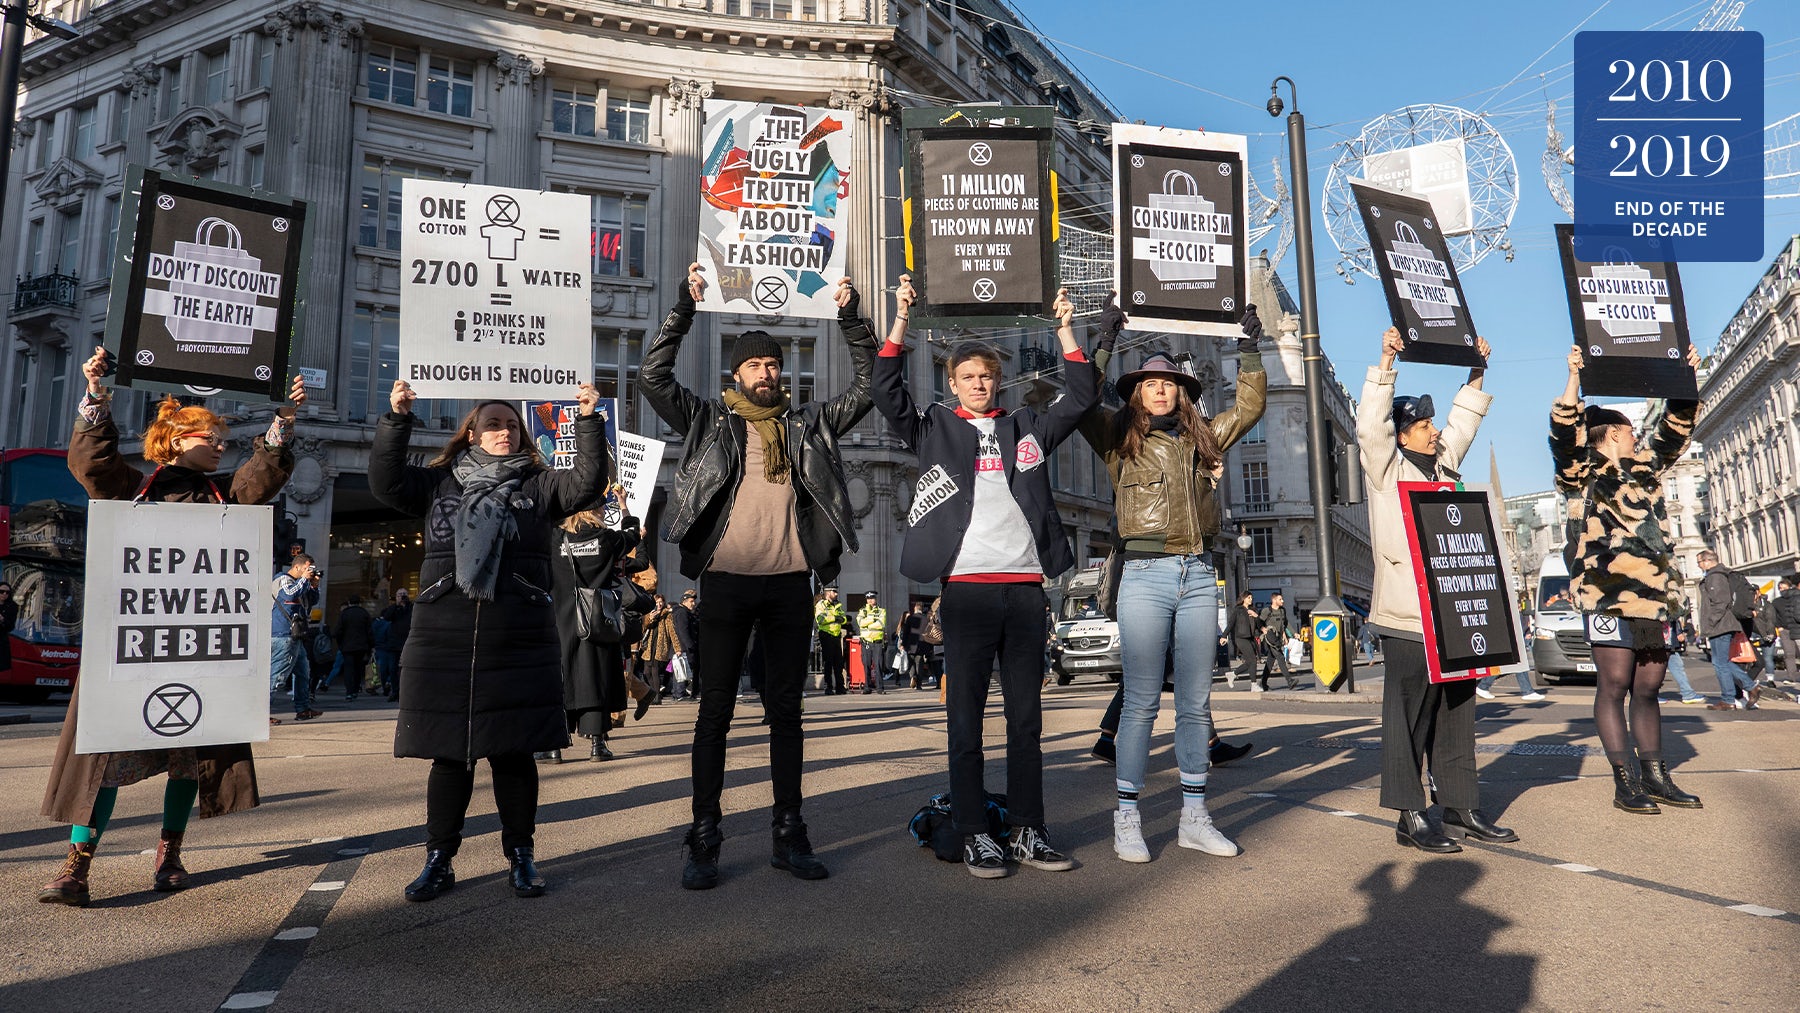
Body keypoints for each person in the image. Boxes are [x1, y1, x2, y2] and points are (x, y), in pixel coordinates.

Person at [39, 346, 303, 907]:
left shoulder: (223, 497)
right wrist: (94, 396)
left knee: (190, 755)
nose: (222, 444)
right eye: (211, 436)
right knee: (103, 758)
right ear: (179, 440)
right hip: (132, 652)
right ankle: (76, 866)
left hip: (197, 652)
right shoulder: (132, 487)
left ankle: (170, 854)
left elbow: (259, 482)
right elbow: (92, 463)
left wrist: (282, 424)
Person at [643, 262, 874, 890]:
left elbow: (870, 382)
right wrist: (684, 308)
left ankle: (789, 832)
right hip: (725, 582)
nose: (767, 373)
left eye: (774, 364)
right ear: (736, 373)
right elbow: (652, 376)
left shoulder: (809, 427)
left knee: (787, 711)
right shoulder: (707, 422)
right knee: (714, 710)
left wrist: (852, 316)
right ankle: (705, 836)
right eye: (755, 365)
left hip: (788, 584)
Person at [872, 273, 1097, 879]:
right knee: (965, 720)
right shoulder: (934, 429)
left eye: (988, 376)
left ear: (999, 381)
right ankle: (974, 832)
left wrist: (1066, 329)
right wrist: (900, 318)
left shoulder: (1027, 426)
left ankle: (1029, 830)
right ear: (953, 383)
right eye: (969, 377)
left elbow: (1080, 398)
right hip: (966, 593)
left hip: (1025, 592)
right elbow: (884, 387)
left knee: (1027, 722)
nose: (979, 383)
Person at [370, 377, 609, 902]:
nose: (504, 432)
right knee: (449, 757)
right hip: (444, 636)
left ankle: (521, 856)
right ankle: (439, 858)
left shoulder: (541, 485)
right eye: (492, 424)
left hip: (516, 635)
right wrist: (397, 418)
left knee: (514, 754)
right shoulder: (437, 482)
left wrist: (590, 420)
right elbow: (386, 483)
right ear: (472, 434)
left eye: (511, 425)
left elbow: (588, 484)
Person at [1075, 297, 1265, 862]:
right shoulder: (1118, 440)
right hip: (1146, 574)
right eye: (1151, 381)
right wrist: (1103, 344)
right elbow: (1080, 400)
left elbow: (1251, 406)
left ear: (1183, 391)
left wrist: (1248, 346)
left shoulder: (1202, 439)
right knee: (1138, 702)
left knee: (1196, 703)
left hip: (1199, 572)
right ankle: (1128, 817)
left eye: (1170, 382)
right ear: (1136, 391)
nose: (1161, 388)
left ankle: (1194, 815)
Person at [1360, 326, 1516, 853]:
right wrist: (1385, 363)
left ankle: (1460, 803)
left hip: (1452, 612)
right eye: (1423, 425)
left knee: (1457, 710)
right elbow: (1369, 429)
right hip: (1406, 615)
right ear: (1403, 435)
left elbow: (1464, 422)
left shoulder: (1445, 470)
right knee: (1408, 715)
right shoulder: (1385, 468)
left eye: (1431, 424)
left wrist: (1477, 371)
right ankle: (1409, 812)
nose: (1433, 431)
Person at [1553, 345, 1704, 814]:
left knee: (1650, 685)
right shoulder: (1582, 473)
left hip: (1654, 595)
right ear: (1615, 431)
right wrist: (1574, 379)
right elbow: (1563, 436)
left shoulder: (1646, 467)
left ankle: (1656, 775)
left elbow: (1678, 428)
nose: (1638, 434)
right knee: (1614, 684)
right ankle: (1625, 782)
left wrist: (1685, 377)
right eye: (1631, 429)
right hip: (1607, 594)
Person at [547, 501, 648, 764]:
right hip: (597, 618)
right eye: (602, 508)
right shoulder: (605, 538)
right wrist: (625, 509)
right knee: (597, 675)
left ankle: (554, 746)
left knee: (562, 676)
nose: (605, 511)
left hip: (562, 618)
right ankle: (597, 744)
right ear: (592, 511)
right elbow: (633, 534)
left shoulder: (555, 537)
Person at [1696, 550, 1759, 711]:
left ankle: (1734, 695)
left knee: (1720, 663)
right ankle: (1734, 695)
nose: (1699, 565)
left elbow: (1720, 602)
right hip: (1722, 624)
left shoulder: (1715, 576)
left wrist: (1710, 622)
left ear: (1708, 561)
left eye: (1699, 562)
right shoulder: (1717, 575)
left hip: (1721, 625)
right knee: (1722, 662)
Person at [272, 556, 323, 721]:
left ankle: (303, 709)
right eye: (308, 567)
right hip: (283, 636)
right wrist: (304, 580)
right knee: (277, 677)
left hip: (295, 636)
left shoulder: (301, 582)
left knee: (303, 673)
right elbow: (290, 593)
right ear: (297, 567)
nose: (310, 570)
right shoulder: (283, 579)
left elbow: (311, 602)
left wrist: (314, 586)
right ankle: (260, 714)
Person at [638, 591, 680, 707]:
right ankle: (654, 694)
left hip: (660, 646)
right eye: (657, 602)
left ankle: (657, 698)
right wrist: (651, 618)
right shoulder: (649, 614)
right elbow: (643, 628)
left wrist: (677, 648)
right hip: (648, 648)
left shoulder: (667, 615)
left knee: (654, 671)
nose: (659, 604)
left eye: (661, 602)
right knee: (646, 672)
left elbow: (673, 632)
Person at [330, 595, 374, 701]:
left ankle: (349, 691)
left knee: (349, 669)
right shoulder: (364, 613)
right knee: (358, 668)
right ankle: (355, 689)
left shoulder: (344, 614)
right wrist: (371, 645)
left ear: (349, 602)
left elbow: (338, 631)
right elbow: (370, 631)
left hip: (347, 646)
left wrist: (340, 643)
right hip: (361, 646)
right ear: (359, 603)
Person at [1257, 591, 1300, 692]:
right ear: (1274, 600)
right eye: (1280, 599)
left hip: (1278, 638)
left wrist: (1294, 633)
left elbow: (1286, 624)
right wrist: (1262, 628)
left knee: (1270, 662)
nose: (1282, 601)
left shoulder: (1282, 611)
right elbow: (1258, 621)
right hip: (1270, 638)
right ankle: (1289, 681)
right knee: (1280, 657)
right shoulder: (1267, 611)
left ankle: (1263, 683)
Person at [375, 588, 413, 701]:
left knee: (406, 669)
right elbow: (387, 617)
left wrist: (407, 604)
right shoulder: (393, 609)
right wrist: (396, 605)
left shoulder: (411, 608)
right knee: (392, 669)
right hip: (394, 644)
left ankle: (404, 692)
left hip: (406, 643)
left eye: (404, 594)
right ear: (396, 597)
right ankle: (395, 691)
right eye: (399, 595)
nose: (402, 597)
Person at [813, 587, 849, 695]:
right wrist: (834, 618)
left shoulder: (837, 605)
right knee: (828, 662)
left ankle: (840, 687)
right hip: (826, 635)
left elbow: (844, 618)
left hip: (836, 635)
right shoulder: (821, 605)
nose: (837, 594)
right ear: (828, 593)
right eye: (834, 592)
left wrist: (837, 618)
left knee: (839, 663)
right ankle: (828, 687)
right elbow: (820, 619)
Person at [1224, 592, 1260, 690]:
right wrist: (1224, 636)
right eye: (1248, 597)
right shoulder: (1238, 610)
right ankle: (1254, 685)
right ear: (1243, 598)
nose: (1251, 599)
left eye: (1252, 597)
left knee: (1251, 661)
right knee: (1252, 660)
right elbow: (1231, 624)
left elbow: (1260, 625)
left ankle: (1233, 674)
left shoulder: (1253, 610)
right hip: (1240, 638)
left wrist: (1255, 615)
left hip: (1251, 638)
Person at [855, 592, 889, 694]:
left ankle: (880, 687)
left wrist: (867, 624)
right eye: (868, 598)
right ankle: (867, 687)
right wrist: (872, 619)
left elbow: (881, 624)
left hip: (877, 642)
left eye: (872, 598)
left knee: (878, 664)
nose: (870, 600)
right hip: (866, 642)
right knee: (866, 664)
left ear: (876, 599)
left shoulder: (881, 611)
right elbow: (861, 623)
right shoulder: (862, 611)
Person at [672, 589, 700, 700]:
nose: (694, 604)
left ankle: (678, 693)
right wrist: (690, 646)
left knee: (681, 669)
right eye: (691, 601)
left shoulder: (682, 612)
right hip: (685, 648)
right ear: (684, 601)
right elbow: (683, 631)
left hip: (684, 647)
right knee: (683, 670)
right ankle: (680, 693)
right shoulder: (682, 612)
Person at [900, 601, 928, 690]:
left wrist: (903, 644)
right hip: (921, 645)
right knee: (919, 664)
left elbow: (906, 632)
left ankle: (913, 676)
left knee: (911, 663)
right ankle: (919, 685)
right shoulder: (926, 619)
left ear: (915, 608)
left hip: (910, 645)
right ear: (922, 609)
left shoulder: (910, 618)